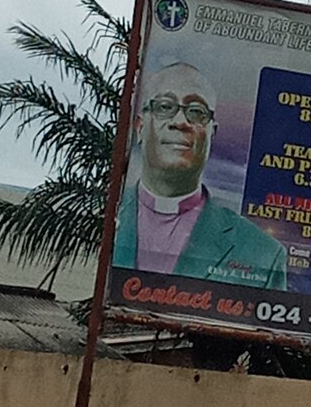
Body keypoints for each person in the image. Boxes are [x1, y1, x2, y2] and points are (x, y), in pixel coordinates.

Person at [113, 61, 287, 289]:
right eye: (165, 107)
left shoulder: (263, 253)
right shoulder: (104, 214)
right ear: (140, 128)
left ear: (211, 134)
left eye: (196, 112)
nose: (180, 122)